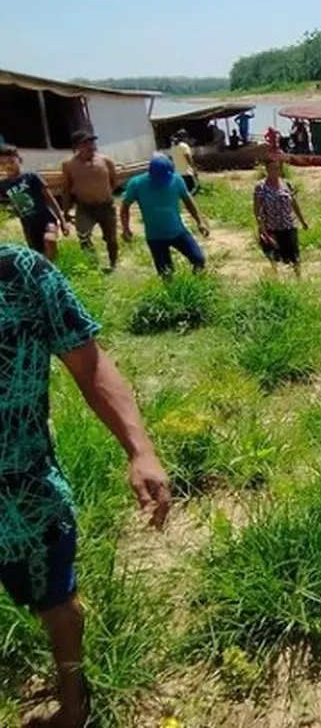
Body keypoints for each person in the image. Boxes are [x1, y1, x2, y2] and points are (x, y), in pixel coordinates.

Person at [0, 243, 170, 728]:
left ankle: (73, 705)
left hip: (21, 493)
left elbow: (89, 362)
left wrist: (140, 450)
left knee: (56, 601)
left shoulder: (21, 273)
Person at [120, 154, 210, 277]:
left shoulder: (177, 180)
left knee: (199, 260)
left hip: (178, 232)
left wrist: (200, 221)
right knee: (166, 274)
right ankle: (172, 294)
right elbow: (125, 206)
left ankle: (194, 288)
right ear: (150, 173)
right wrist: (126, 228)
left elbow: (188, 200)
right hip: (155, 236)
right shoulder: (137, 184)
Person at [60, 130, 120, 270]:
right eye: (86, 142)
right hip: (84, 207)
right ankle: (93, 266)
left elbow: (114, 182)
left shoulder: (105, 161)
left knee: (111, 239)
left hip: (106, 206)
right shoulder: (69, 165)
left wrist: (103, 194)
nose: (91, 145)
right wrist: (66, 211)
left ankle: (113, 264)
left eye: (92, 142)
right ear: (77, 146)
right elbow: (67, 189)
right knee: (84, 237)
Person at [0, 146, 69, 262]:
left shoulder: (31, 177)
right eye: (3, 163)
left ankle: (52, 267)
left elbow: (50, 199)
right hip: (29, 225)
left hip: (46, 219)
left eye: (11, 162)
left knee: (50, 240)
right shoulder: (3, 185)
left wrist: (62, 221)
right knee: (37, 255)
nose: (8, 166)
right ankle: (49, 268)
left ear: (19, 160)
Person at [254, 156, 309, 276]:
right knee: (274, 256)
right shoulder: (261, 187)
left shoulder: (286, 184)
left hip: (288, 225)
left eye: (277, 168)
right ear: (267, 169)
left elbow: (294, 203)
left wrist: (302, 221)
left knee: (294, 255)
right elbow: (257, 210)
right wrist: (261, 227)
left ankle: (298, 277)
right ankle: (276, 278)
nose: (274, 171)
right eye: (272, 168)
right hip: (271, 227)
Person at [170, 130, 198, 195]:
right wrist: (194, 168)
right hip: (186, 173)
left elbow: (172, 160)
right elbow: (188, 158)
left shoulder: (173, 147)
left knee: (183, 192)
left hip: (178, 173)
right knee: (192, 192)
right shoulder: (184, 146)